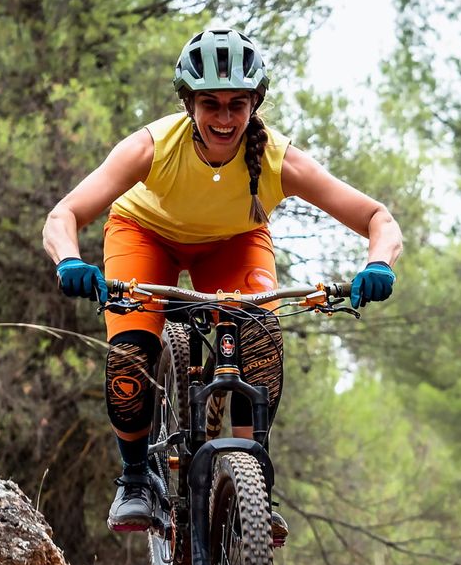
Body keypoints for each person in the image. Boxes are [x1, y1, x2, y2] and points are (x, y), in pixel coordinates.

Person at [42, 28, 402, 538]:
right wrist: (69, 262)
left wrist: (379, 265)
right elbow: (64, 214)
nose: (226, 118)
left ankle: (252, 481)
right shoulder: (151, 147)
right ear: (189, 102)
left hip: (233, 242)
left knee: (262, 340)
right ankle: (136, 477)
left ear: (256, 103)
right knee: (130, 353)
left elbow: (378, 218)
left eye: (238, 104)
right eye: (210, 103)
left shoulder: (279, 160)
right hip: (144, 235)